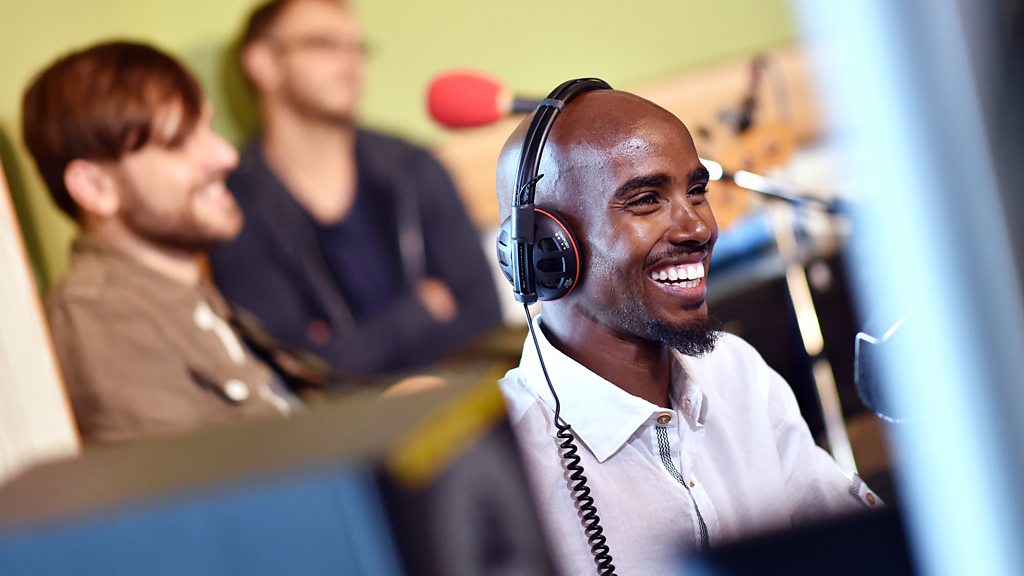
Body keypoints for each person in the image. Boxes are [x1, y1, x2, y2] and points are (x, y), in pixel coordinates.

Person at [495, 82, 879, 575]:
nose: (698, 227)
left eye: (696, 192)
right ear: (546, 251)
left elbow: (851, 542)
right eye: (646, 200)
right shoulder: (507, 461)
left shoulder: (735, 370)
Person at [22, 41, 302, 443]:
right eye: (177, 142)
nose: (226, 155)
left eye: (207, 128)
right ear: (95, 187)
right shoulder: (103, 315)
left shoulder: (181, 294)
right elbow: (195, 483)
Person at [208, 0, 503, 377]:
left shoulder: (412, 167)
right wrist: (420, 311)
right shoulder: (237, 205)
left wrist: (351, 345)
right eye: (324, 44)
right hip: (345, 417)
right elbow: (298, 368)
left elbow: (483, 319)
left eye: (357, 48)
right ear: (263, 63)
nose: (351, 63)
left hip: (459, 398)